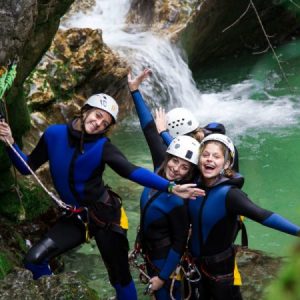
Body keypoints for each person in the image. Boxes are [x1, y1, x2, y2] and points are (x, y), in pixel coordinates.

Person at [0, 93, 203, 300]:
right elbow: (27, 168)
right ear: (85, 110)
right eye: (97, 115)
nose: (98, 123)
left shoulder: (102, 147)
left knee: (119, 277)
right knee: (34, 259)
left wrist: (170, 187)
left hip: (106, 217)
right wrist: (10, 143)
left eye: (104, 123)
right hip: (75, 217)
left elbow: (131, 171)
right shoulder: (54, 134)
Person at [188, 133, 300, 300]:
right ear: (199, 160)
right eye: (205, 155)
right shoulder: (192, 183)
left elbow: (263, 215)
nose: (209, 159)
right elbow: (174, 155)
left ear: (226, 164)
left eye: (216, 156)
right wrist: (163, 132)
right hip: (194, 266)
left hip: (221, 273)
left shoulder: (230, 195)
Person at [128, 70, 203, 299]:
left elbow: (179, 243)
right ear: (168, 158)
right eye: (174, 162)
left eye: (184, 168)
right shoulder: (159, 169)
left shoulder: (181, 198)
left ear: (190, 172)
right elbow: (149, 130)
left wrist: (163, 277)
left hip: (164, 259)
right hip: (150, 251)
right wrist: (134, 91)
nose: (176, 169)